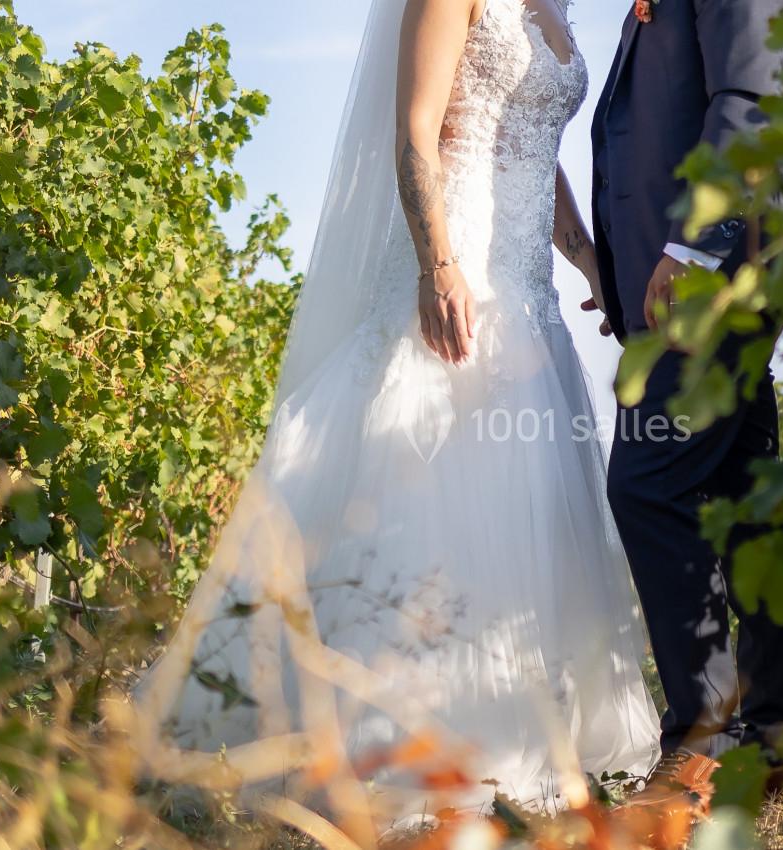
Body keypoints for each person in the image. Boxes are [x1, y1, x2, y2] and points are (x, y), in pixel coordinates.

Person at [135, 0, 659, 828]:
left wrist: (587, 256)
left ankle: (515, 738)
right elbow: (416, 130)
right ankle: (391, 749)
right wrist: (437, 265)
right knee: (431, 500)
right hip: (457, 269)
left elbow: (533, 149)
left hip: (528, 290)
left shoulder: (552, 7)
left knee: (523, 510)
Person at [588, 0, 783, 802]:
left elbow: (750, 96)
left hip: (713, 276)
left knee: (647, 485)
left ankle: (702, 747)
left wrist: (689, 249)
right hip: (698, 280)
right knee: (747, 497)